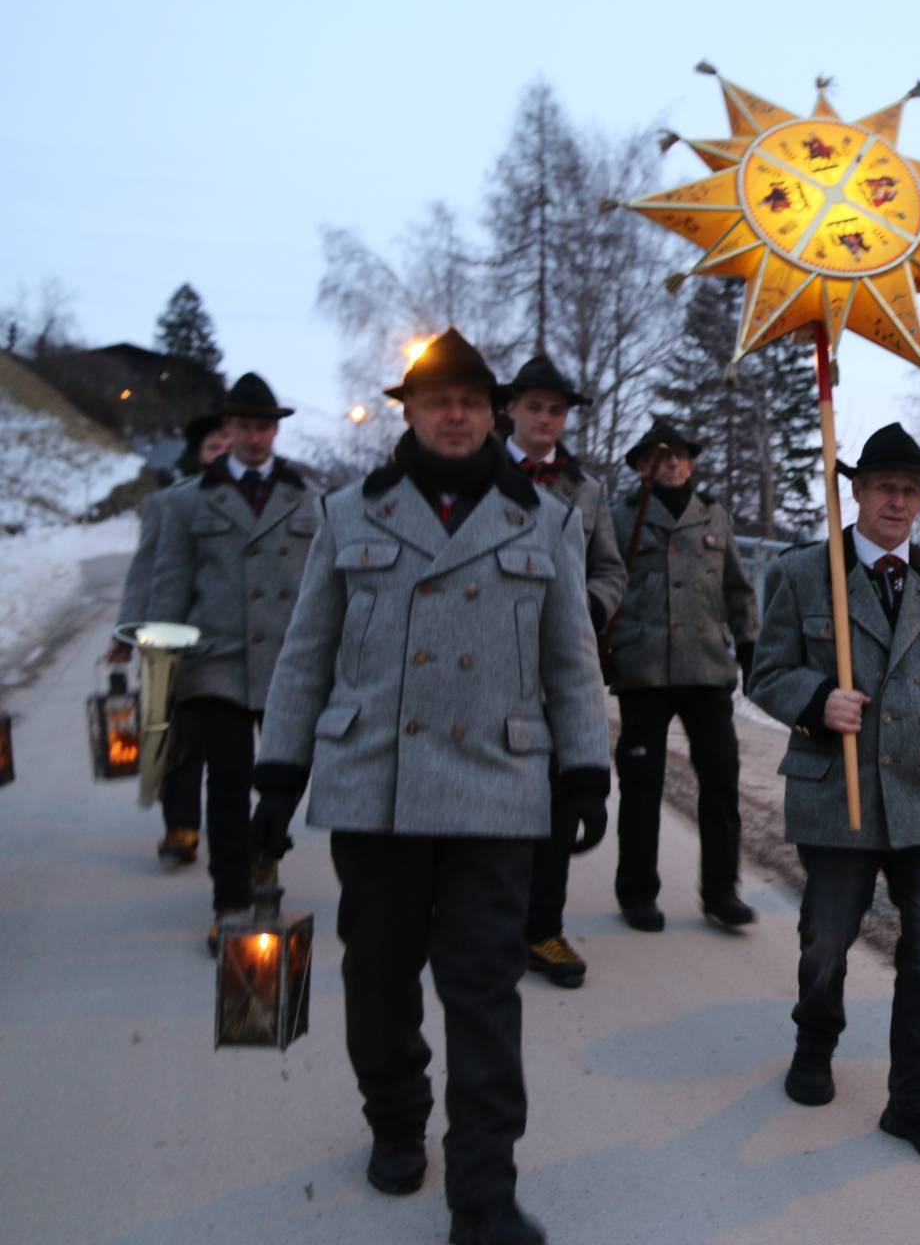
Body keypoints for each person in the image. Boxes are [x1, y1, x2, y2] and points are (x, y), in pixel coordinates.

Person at [250, 327, 608, 1245]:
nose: (455, 415)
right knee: (377, 977)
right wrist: (278, 780)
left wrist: (583, 771)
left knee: (485, 990)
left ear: (493, 414)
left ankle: (485, 1189)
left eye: (471, 401)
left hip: (497, 789)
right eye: (435, 400)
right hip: (378, 788)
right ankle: (396, 1117)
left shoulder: (548, 520)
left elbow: (571, 663)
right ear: (407, 412)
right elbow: (303, 661)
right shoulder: (347, 515)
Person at [746, 422, 920, 1169]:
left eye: (910, 491)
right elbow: (763, 674)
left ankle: (916, 1097)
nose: (898, 501)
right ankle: (815, 1040)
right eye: (884, 487)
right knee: (826, 938)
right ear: (855, 492)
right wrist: (819, 699)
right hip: (838, 792)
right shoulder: (802, 573)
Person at [146, 377, 317, 950]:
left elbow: (326, 582)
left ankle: (265, 851)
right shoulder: (186, 501)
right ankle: (231, 901)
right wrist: (159, 660)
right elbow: (170, 583)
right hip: (214, 660)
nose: (254, 436)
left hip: (288, 663)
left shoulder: (307, 497)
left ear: (275, 430)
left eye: (263, 426)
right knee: (227, 780)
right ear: (229, 430)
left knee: (287, 774)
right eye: (243, 426)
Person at [497, 352, 627, 989]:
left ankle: (542, 930)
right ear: (510, 410)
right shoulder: (476, 475)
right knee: (486, 793)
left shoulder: (588, 491)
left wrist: (583, 608)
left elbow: (610, 569)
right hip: (489, 661)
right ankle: (479, 923)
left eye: (557, 410)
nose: (546, 418)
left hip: (560, 668)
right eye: (535, 407)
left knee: (555, 801)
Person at [603, 419, 758, 933]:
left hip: (706, 667)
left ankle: (721, 892)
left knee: (720, 782)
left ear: (691, 463)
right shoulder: (620, 520)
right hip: (643, 668)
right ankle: (637, 892)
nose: (671, 463)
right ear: (641, 466)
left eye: (679, 456)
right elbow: (603, 584)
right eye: (659, 456)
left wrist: (750, 644)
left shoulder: (714, 516)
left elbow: (737, 587)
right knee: (641, 785)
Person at [108, 412, 228, 866]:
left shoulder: (256, 505)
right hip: (173, 639)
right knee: (180, 735)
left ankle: (240, 833)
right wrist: (126, 629)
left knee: (230, 748)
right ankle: (181, 827)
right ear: (197, 454)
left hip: (234, 643)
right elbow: (143, 571)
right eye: (213, 447)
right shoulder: (169, 504)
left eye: (227, 446)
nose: (222, 454)